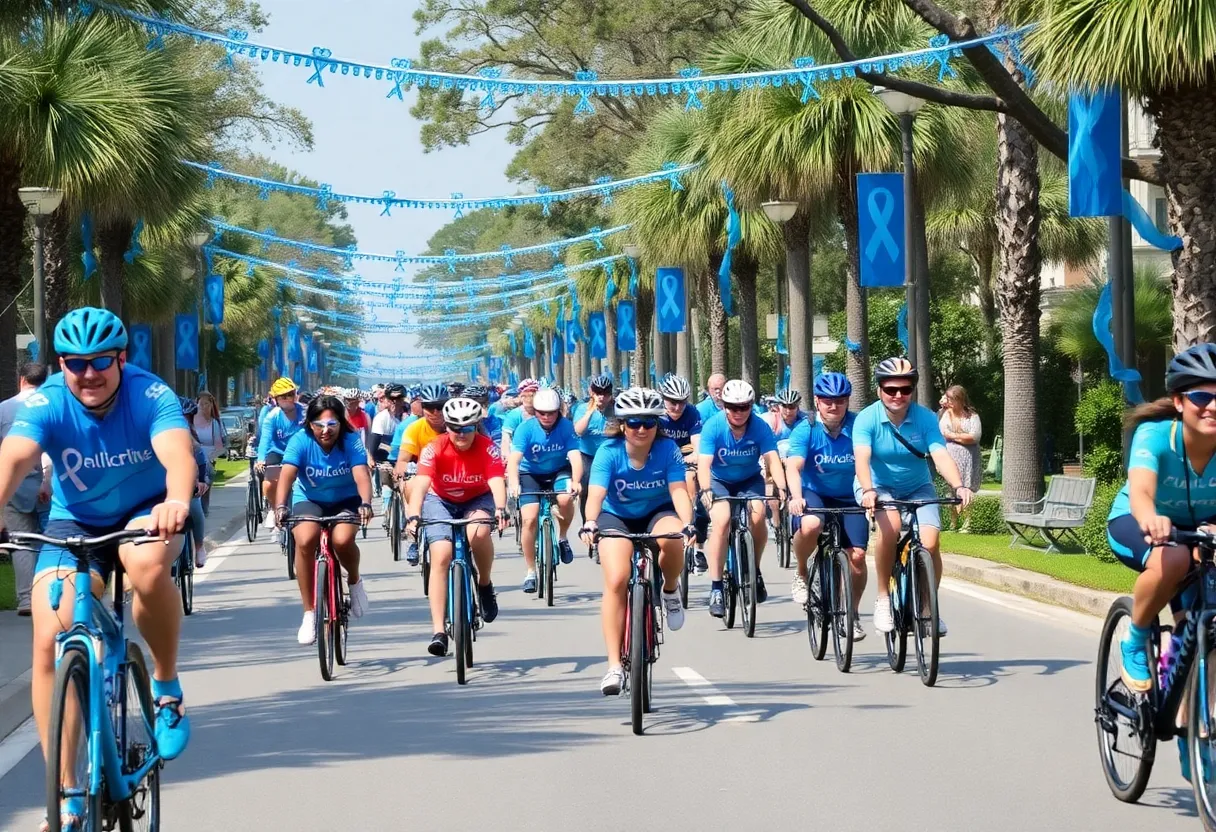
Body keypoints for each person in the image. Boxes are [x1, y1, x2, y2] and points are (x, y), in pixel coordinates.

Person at [0, 308, 197, 811]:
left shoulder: (149, 393)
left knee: (148, 564)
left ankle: (166, 687)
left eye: (101, 362)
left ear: (121, 359)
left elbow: (178, 456)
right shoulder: (46, 402)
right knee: (49, 635)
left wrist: (176, 499)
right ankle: (66, 794)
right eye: (75, 363)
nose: (88, 373)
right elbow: (14, 457)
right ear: (61, 365)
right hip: (75, 523)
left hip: (146, 512)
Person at [1108, 345, 1216, 696]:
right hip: (1138, 520)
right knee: (1174, 557)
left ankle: (1193, 738)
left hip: (1201, 529)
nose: (1212, 406)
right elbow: (1140, 491)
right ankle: (1135, 639)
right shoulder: (1156, 435)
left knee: (1202, 629)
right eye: (1201, 396)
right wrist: (1151, 519)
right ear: (1180, 401)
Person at [579, 387, 696, 695]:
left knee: (672, 540)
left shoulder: (668, 449)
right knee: (617, 577)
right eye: (633, 422)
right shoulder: (609, 451)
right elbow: (596, 495)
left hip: (657, 511)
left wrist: (688, 524)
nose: (641, 429)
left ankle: (670, 590)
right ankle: (614, 665)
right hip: (615, 515)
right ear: (621, 424)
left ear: (658, 424)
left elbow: (679, 492)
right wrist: (590, 522)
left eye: (648, 422)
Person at [854, 357, 974, 637]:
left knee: (930, 544)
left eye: (905, 389)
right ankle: (883, 597)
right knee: (891, 527)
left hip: (919, 487)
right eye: (891, 389)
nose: (898, 395)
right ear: (879, 389)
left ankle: (927, 607)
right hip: (878, 485)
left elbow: (940, 454)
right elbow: (862, 459)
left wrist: (959, 486)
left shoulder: (925, 418)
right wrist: (869, 491)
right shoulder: (867, 419)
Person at [405, 397, 508, 657]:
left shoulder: (488, 448)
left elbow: (496, 480)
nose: (461, 435)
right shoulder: (433, 448)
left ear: (476, 427)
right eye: (454, 428)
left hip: (477, 498)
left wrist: (500, 508)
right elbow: (421, 483)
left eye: (468, 429)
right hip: (441, 499)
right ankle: (439, 630)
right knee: (441, 554)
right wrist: (414, 515)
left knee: (480, 532)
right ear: (446, 427)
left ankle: (484, 584)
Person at [274, 394, 374, 644]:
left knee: (342, 540)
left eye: (332, 425)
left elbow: (362, 474)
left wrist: (365, 503)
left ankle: (354, 579)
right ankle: (309, 611)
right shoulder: (300, 440)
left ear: (341, 423)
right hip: (310, 498)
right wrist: (280, 506)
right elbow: (286, 475)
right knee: (305, 539)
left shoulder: (351, 440)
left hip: (345, 499)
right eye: (319, 425)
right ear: (310, 425)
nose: (325, 431)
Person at [784, 373, 868, 639]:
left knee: (857, 557)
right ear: (818, 401)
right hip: (814, 492)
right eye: (828, 401)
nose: (834, 406)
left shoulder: (859, 426)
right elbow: (793, 466)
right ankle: (800, 571)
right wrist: (796, 497)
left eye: (841, 401)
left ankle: (851, 613)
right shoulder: (805, 428)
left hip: (849, 495)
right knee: (811, 523)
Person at [697, 379, 789, 616]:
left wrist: (782, 487)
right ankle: (716, 585)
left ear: (751, 406)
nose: (738, 413)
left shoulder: (760, 427)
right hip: (719, 481)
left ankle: (754, 570)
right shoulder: (713, 426)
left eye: (744, 407)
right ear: (724, 406)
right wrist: (706, 490)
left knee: (758, 515)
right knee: (722, 520)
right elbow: (704, 464)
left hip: (749, 480)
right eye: (732, 407)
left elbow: (772, 459)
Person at [509, 388, 583, 592]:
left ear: (559, 411)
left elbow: (575, 456)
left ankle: (563, 537)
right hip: (530, 474)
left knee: (567, 499)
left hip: (559, 471)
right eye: (542, 413)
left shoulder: (566, 427)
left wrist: (576, 480)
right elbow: (514, 460)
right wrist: (514, 483)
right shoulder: (526, 429)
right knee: (529, 519)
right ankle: (531, 571)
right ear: (535, 412)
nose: (547, 417)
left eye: (552, 412)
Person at [0, 362, 51, 616]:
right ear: (46, 379)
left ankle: (26, 599)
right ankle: (51, 595)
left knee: (21, 544)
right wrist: (47, 480)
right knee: (53, 541)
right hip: (47, 486)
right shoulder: (50, 406)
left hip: (13, 487)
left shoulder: (3, 410)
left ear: (22, 380)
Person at [657, 373, 706, 573]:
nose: (677, 407)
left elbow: (697, 443)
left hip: (684, 459)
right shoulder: (657, 415)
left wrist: (696, 454)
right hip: (662, 459)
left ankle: (693, 526)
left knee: (691, 480)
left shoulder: (692, 413)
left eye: (682, 403)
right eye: (672, 402)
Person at [256, 377, 306, 529]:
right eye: (283, 396)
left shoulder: (305, 413)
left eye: (290, 395)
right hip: (277, 452)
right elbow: (265, 439)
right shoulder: (272, 417)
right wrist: (260, 459)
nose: (287, 399)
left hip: (300, 452)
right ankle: (274, 508)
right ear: (276, 399)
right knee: (269, 481)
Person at [573, 374, 616, 518]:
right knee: (586, 489)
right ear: (592, 393)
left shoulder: (616, 409)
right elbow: (578, 431)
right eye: (598, 393)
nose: (601, 397)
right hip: (588, 456)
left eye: (605, 394)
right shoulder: (582, 409)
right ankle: (588, 521)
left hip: (610, 455)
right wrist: (589, 413)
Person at [939, 385, 982, 524]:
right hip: (952, 456)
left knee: (967, 487)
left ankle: (967, 521)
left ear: (960, 399)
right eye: (948, 398)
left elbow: (974, 436)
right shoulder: (946, 414)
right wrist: (962, 437)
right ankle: (953, 521)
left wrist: (954, 436)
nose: (949, 402)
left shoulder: (972, 416)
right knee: (951, 488)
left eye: (952, 399)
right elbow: (943, 432)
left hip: (969, 457)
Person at [179, 398, 211, 568]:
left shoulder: (191, 438)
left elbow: (200, 459)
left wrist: (201, 481)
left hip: (186, 482)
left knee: (195, 509)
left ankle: (199, 546)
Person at [370, 383, 406, 511]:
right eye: (393, 400)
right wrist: (370, 458)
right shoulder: (381, 418)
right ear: (388, 401)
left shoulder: (404, 417)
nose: (397, 404)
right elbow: (374, 441)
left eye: (400, 400)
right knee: (387, 485)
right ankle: (386, 511)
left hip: (402, 456)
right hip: (384, 456)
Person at [192, 391, 225, 515]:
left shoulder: (214, 423)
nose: (204, 407)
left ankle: (204, 508)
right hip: (193, 455)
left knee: (207, 475)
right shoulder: (191, 422)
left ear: (211, 406)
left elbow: (218, 445)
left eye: (207, 404)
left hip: (208, 458)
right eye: (201, 404)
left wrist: (210, 456)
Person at [500, 378, 539, 457]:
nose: (528, 399)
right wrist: (508, 457)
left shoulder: (544, 413)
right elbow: (506, 438)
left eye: (532, 395)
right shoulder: (514, 415)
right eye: (525, 395)